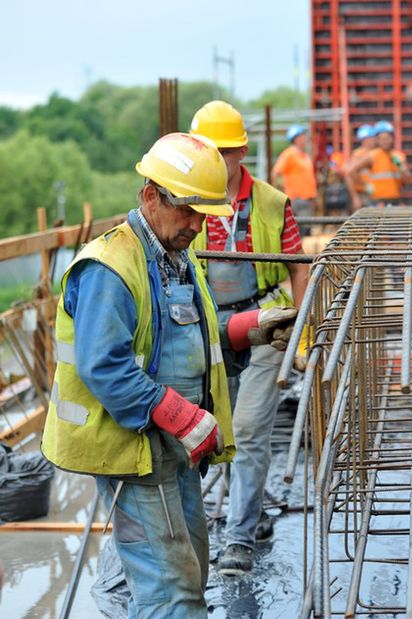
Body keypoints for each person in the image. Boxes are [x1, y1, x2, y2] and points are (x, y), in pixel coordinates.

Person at [40, 132, 295, 617]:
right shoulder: (110, 268)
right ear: (151, 196)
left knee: (191, 569)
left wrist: (250, 328)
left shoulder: (176, 258)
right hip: (131, 452)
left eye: (204, 214)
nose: (197, 226)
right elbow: (104, 366)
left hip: (171, 450)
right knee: (169, 590)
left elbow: (189, 338)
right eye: (188, 212)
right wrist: (180, 414)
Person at [189, 100, 307, 575]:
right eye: (207, 152)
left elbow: (301, 269)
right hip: (210, 330)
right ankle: (251, 512)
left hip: (264, 325)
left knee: (253, 429)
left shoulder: (273, 203)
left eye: (224, 152)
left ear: (241, 152)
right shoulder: (189, 200)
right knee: (218, 429)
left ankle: (237, 537)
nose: (216, 162)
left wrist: (301, 330)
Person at [345, 119, 412, 209]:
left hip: (396, 200)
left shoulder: (399, 157)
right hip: (377, 202)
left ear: (392, 138)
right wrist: (365, 186)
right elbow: (350, 172)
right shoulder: (372, 156)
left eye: (387, 138)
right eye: (382, 139)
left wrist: (401, 167)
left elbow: (409, 180)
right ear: (377, 140)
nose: (385, 141)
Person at [272, 124, 318, 234]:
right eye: (303, 135)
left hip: (307, 199)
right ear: (296, 138)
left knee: (306, 230)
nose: (305, 138)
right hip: (297, 199)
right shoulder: (289, 154)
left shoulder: (304, 155)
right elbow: (275, 173)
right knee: (303, 230)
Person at [346, 123, 377, 210]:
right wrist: (355, 197)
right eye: (371, 138)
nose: (374, 140)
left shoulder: (376, 153)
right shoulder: (358, 155)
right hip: (364, 194)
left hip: (375, 193)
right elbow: (349, 176)